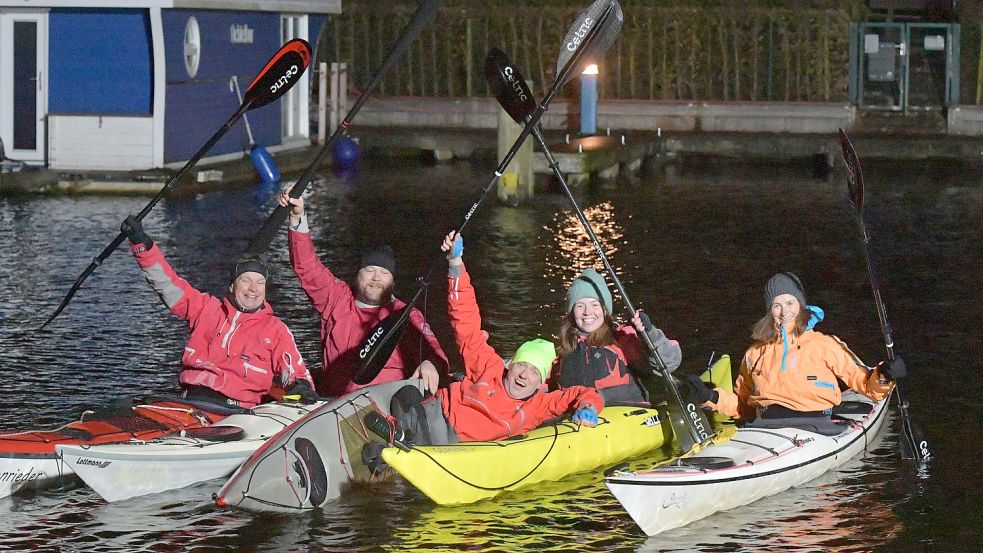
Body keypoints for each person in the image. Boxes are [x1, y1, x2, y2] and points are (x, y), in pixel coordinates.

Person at [369, 232, 604, 448]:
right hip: (434, 415)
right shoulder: (488, 365)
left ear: (540, 382)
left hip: (453, 447)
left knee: (414, 430)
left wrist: (589, 408)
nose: (524, 375)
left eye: (534, 372)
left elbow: (582, 393)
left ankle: (394, 441)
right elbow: (465, 320)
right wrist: (455, 263)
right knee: (406, 394)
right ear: (510, 365)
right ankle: (393, 436)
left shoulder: (538, 407)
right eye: (521, 365)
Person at [120, 216, 317, 409]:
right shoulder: (205, 308)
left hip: (236, 412)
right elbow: (167, 284)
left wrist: (301, 386)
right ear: (232, 286)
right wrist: (141, 243)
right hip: (191, 402)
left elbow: (296, 371)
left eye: (260, 283)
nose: (253, 289)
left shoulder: (276, 330)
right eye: (246, 280)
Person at [683, 272, 906, 435]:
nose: (785, 311)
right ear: (770, 311)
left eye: (790, 302)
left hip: (819, 429)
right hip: (764, 428)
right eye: (777, 305)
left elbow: (868, 386)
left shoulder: (824, 345)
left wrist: (885, 374)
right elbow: (743, 407)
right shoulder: (755, 353)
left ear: (800, 305)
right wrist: (710, 397)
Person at [278, 190, 449, 397]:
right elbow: (307, 267)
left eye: (384, 273)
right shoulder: (336, 298)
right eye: (369, 271)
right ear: (358, 276)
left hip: (387, 402)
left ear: (392, 281)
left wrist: (430, 363)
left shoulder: (405, 315)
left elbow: (434, 351)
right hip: (336, 403)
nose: (376, 278)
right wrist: (297, 218)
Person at [552, 268, 682, 406]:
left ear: (605, 310)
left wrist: (649, 332)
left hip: (627, 418)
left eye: (594, 304)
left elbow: (670, 362)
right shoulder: (563, 350)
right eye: (579, 306)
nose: (587, 312)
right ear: (572, 312)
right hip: (581, 420)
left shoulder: (622, 339)